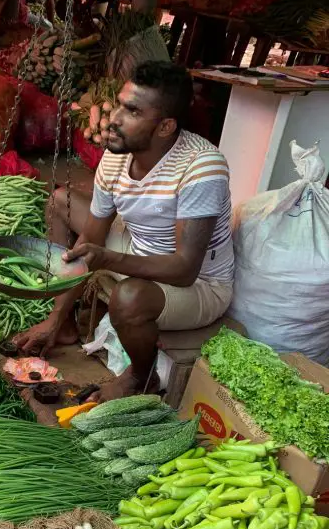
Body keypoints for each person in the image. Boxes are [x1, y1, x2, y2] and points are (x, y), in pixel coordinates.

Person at [15, 62, 234, 401]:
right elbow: (91, 237)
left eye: (132, 111)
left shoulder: (201, 167)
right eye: (119, 104)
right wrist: (54, 319)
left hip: (199, 286)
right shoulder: (118, 155)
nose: (114, 118)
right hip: (138, 247)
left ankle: (140, 376)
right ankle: (67, 325)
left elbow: (185, 269)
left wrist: (109, 259)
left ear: (165, 127)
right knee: (61, 201)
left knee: (128, 298)